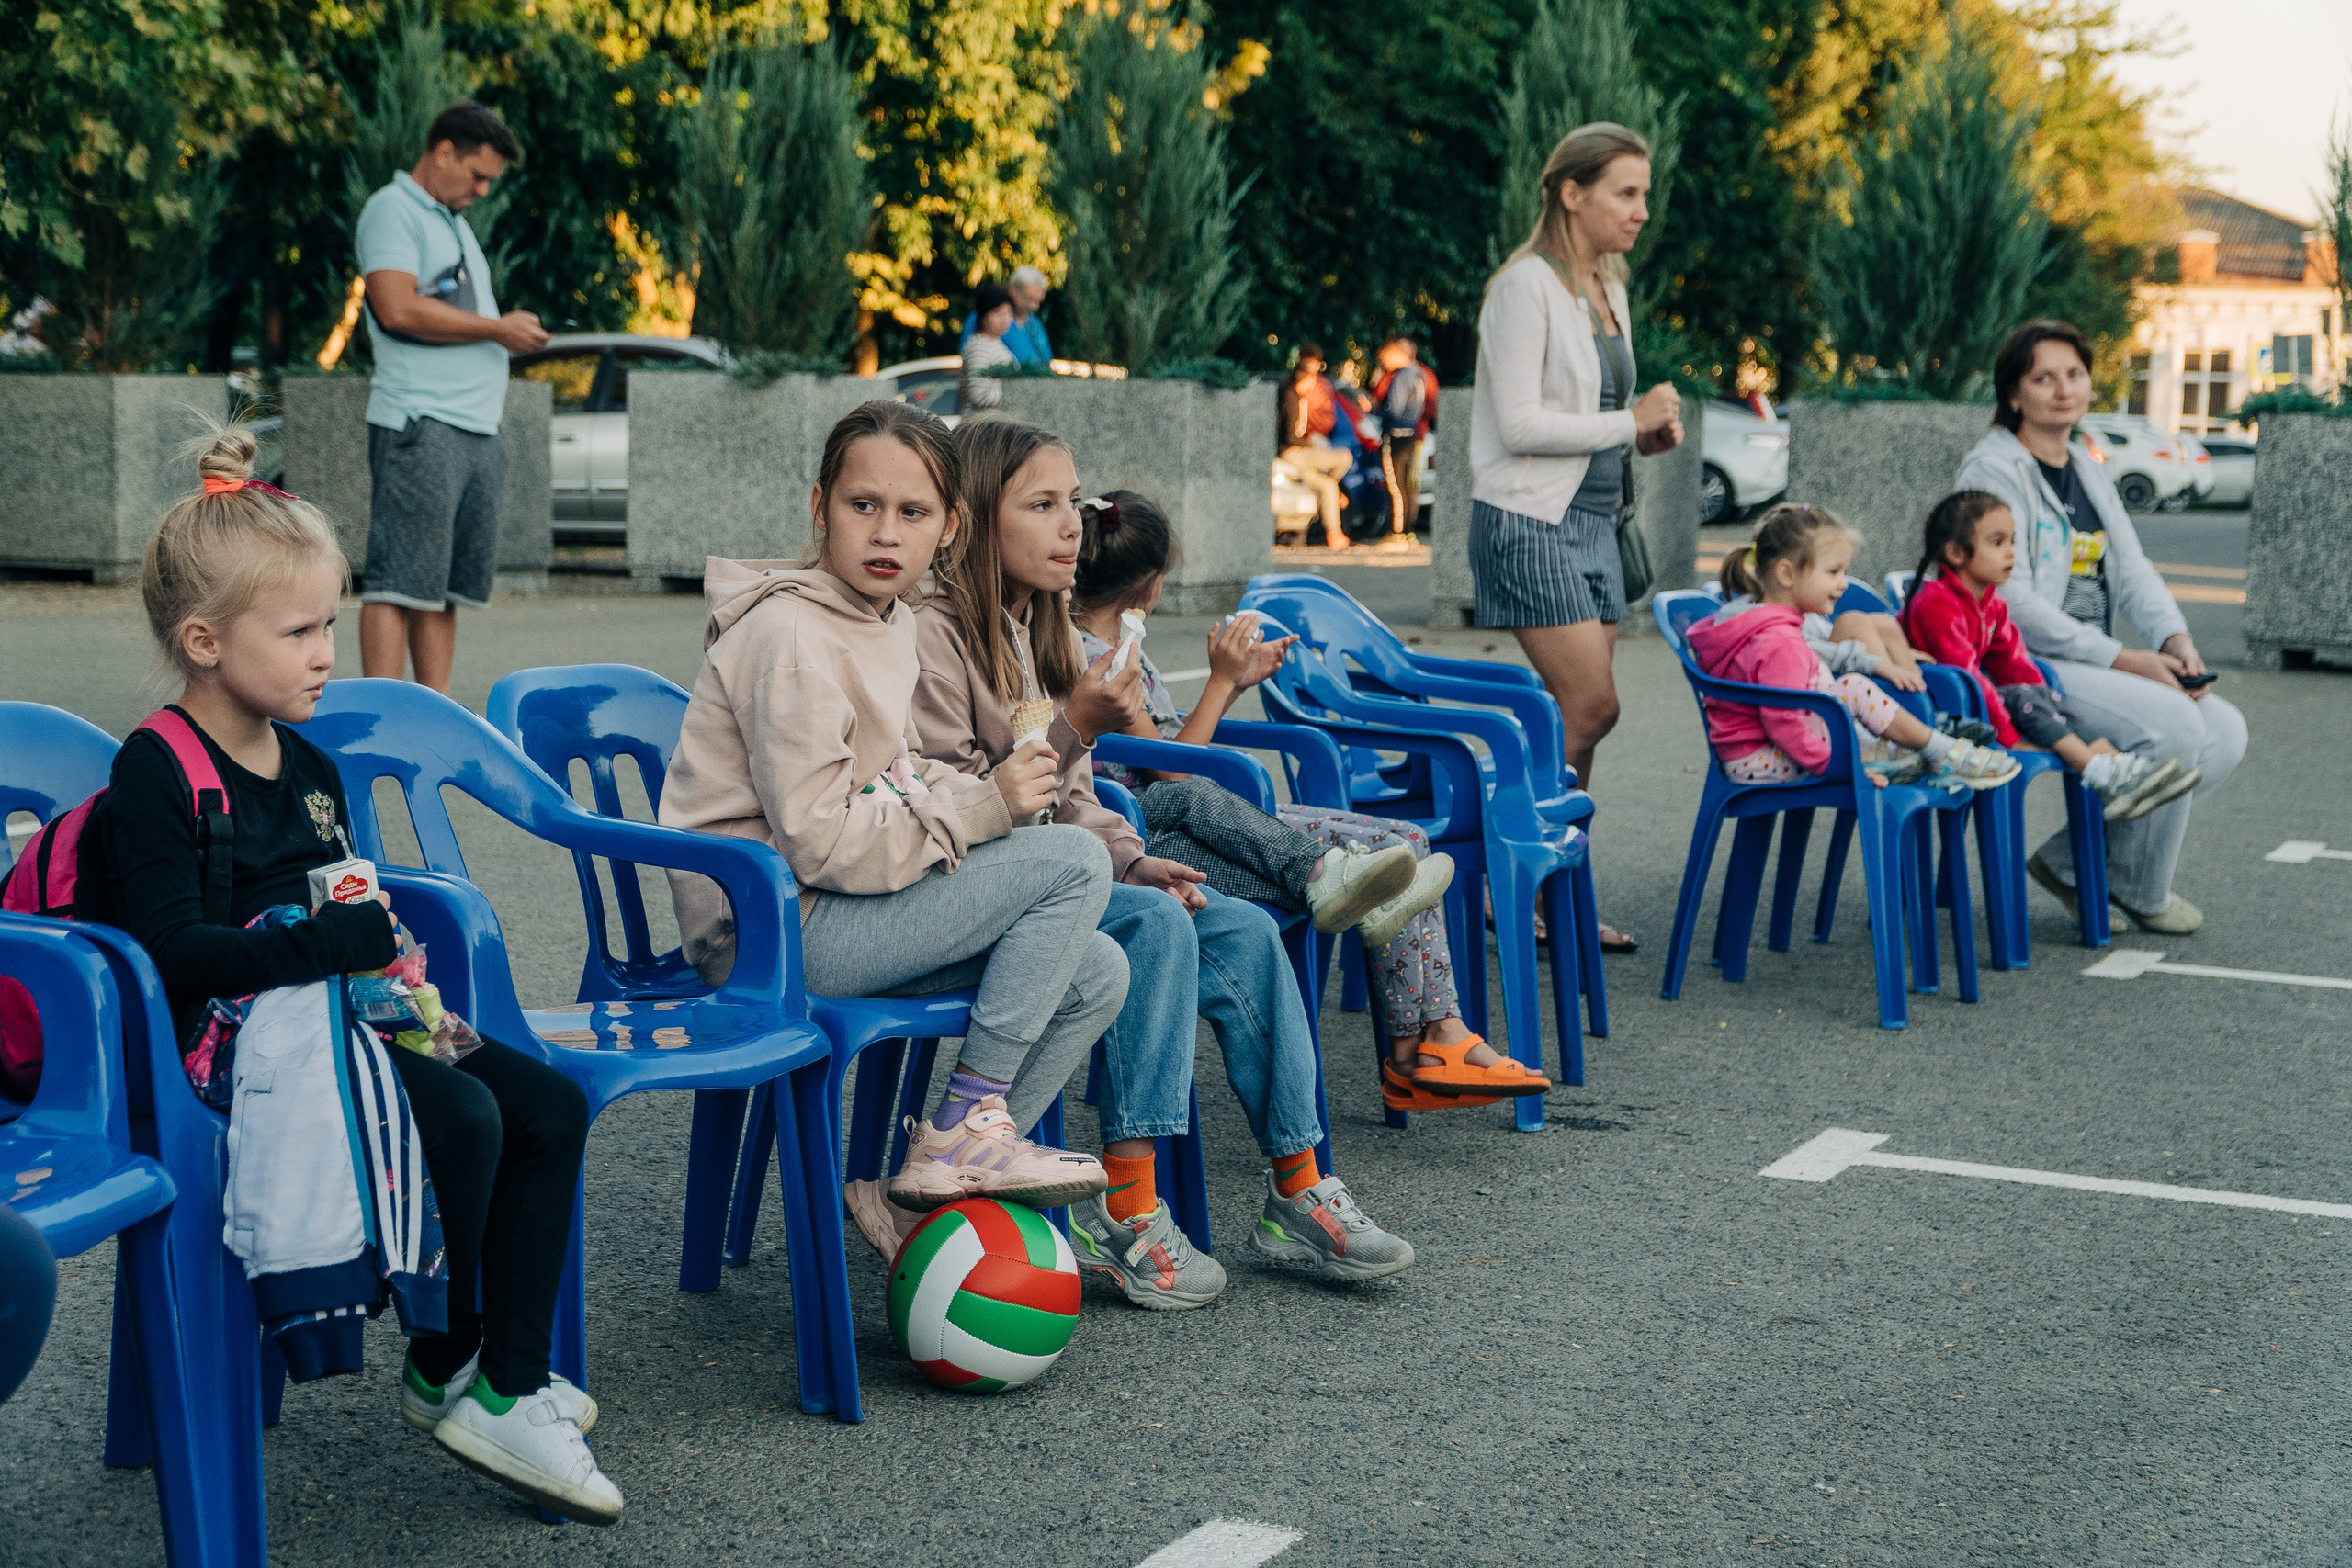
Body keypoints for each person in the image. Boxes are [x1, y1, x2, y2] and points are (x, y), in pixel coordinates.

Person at [84, 427, 617, 1523]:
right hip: (225, 1053)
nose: (328, 651)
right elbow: (174, 955)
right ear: (203, 642)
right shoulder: (156, 770)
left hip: (357, 1015)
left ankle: (501, 1381)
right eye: (299, 631)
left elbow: (347, 903)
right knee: (465, 1120)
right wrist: (328, 944)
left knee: (547, 1101)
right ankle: (458, 1352)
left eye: (330, 622)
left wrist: (371, 942)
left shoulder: (314, 766)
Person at [914, 414, 1419, 1296]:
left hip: (1060, 873)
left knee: (1245, 932)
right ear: (974, 521)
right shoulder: (935, 635)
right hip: (975, 886)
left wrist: (1130, 857)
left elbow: (1072, 797)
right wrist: (1079, 730)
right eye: (1043, 504)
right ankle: (1127, 1204)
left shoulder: (1033, 629)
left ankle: (1298, 1190)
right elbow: (963, 801)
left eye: (1072, 501)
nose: (1072, 524)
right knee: (1153, 926)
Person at [655, 400, 1125, 1224]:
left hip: (839, 910)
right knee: (1075, 863)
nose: (884, 533)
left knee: (1097, 973)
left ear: (949, 529)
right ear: (819, 507)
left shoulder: (888, 620)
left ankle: (915, 1203)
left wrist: (980, 800)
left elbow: (899, 776)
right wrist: (985, 807)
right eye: (861, 505)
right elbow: (821, 842)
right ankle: (957, 1133)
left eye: (913, 513)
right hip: (772, 931)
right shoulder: (794, 636)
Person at [1072, 488, 1549, 1109]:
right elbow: (1171, 774)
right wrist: (1219, 681)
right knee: (1377, 866)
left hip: (1201, 819)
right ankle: (1417, 1047)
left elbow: (1168, 748)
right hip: (1155, 830)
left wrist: (1233, 685)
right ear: (1150, 585)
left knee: (1404, 843)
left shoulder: (1121, 646)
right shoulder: (1099, 658)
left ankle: (1435, 1036)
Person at [1470, 122, 1688, 953]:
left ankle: (1552, 898)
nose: (1641, 210)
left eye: (1643, 192)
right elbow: (1519, 422)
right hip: (1531, 520)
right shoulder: (1525, 287)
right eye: (1625, 192)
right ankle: (1498, 869)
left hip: (1599, 523)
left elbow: (1599, 421)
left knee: (1575, 717)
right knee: (1593, 706)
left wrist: (1640, 434)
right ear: (1572, 192)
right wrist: (1623, 422)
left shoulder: (1607, 287)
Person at [1954, 321, 2247, 934]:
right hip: (2021, 664)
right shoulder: (1994, 471)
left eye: (2075, 374)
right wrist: (2129, 660)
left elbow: (2134, 570)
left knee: (2226, 729)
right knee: (2175, 724)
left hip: (2087, 660)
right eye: (2043, 378)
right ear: (2014, 395)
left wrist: (2175, 642)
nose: (2064, 389)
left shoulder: (2085, 466)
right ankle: (2142, 889)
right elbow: (2013, 604)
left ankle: (2068, 864)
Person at [355, 100, 548, 694]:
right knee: (397, 582)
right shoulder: (393, 209)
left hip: (473, 426)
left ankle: (431, 712)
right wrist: (496, 329)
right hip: (422, 421)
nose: (483, 189)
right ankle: (383, 716)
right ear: (443, 152)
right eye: (478, 174)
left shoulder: (451, 221)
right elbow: (396, 307)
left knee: (440, 590)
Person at [1900, 490, 2203, 822]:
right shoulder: (1937, 604)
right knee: (2028, 700)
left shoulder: (1992, 603)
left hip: (1974, 702)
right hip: (1939, 712)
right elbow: (1967, 675)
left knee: (2047, 698)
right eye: (1997, 542)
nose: (2011, 553)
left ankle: (2117, 769)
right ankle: (2098, 772)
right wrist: (2011, 739)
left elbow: (2014, 663)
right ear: (1956, 553)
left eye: (2013, 541)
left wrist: (2047, 698)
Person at [1689, 503, 2020, 791]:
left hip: (1763, 751)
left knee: (1852, 687)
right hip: (1760, 761)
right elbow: (1784, 724)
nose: (1842, 583)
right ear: (1787, 574)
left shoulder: (1772, 626)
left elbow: (1809, 671)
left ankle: (1927, 750)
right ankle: (1934, 752)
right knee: (1853, 689)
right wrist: (1846, 769)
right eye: (1833, 572)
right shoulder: (1778, 642)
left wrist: (1875, 665)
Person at [1276, 344, 1357, 550]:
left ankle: (1334, 534)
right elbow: (1290, 436)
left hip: (1299, 452)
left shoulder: (1300, 396)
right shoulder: (1291, 397)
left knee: (1327, 486)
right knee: (1344, 457)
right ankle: (1336, 491)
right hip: (1291, 452)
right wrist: (1310, 443)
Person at [1371, 335, 1433, 537]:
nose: (1383, 363)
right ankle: (1407, 531)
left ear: (1395, 353)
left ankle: (1397, 533)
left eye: (1385, 357)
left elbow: (1394, 410)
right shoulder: (1420, 374)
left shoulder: (1401, 376)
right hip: (1412, 433)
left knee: (1396, 486)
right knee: (1407, 485)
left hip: (1396, 435)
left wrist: (1371, 409)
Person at [959, 265, 1053, 367]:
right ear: (1013, 290)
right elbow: (974, 365)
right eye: (1029, 299)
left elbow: (1046, 360)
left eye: (1038, 301)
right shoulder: (984, 319)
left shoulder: (1034, 323)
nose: (1035, 307)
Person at [958, 283, 1021, 413]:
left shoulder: (995, 343)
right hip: (983, 427)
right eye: (997, 312)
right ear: (983, 315)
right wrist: (1016, 391)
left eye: (1009, 313)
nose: (1005, 319)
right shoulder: (979, 346)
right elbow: (979, 395)